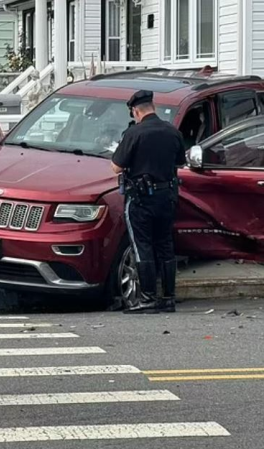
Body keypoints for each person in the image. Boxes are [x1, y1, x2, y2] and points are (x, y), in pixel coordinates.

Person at [111, 90, 186, 314]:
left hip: (141, 199)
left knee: (142, 246)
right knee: (165, 245)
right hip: (167, 197)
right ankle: (169, 298)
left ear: (136, 110)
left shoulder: (134, 133)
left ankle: (148, 298)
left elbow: (116, 166)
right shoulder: (173, 132)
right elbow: (180, 163)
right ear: (153, 107)